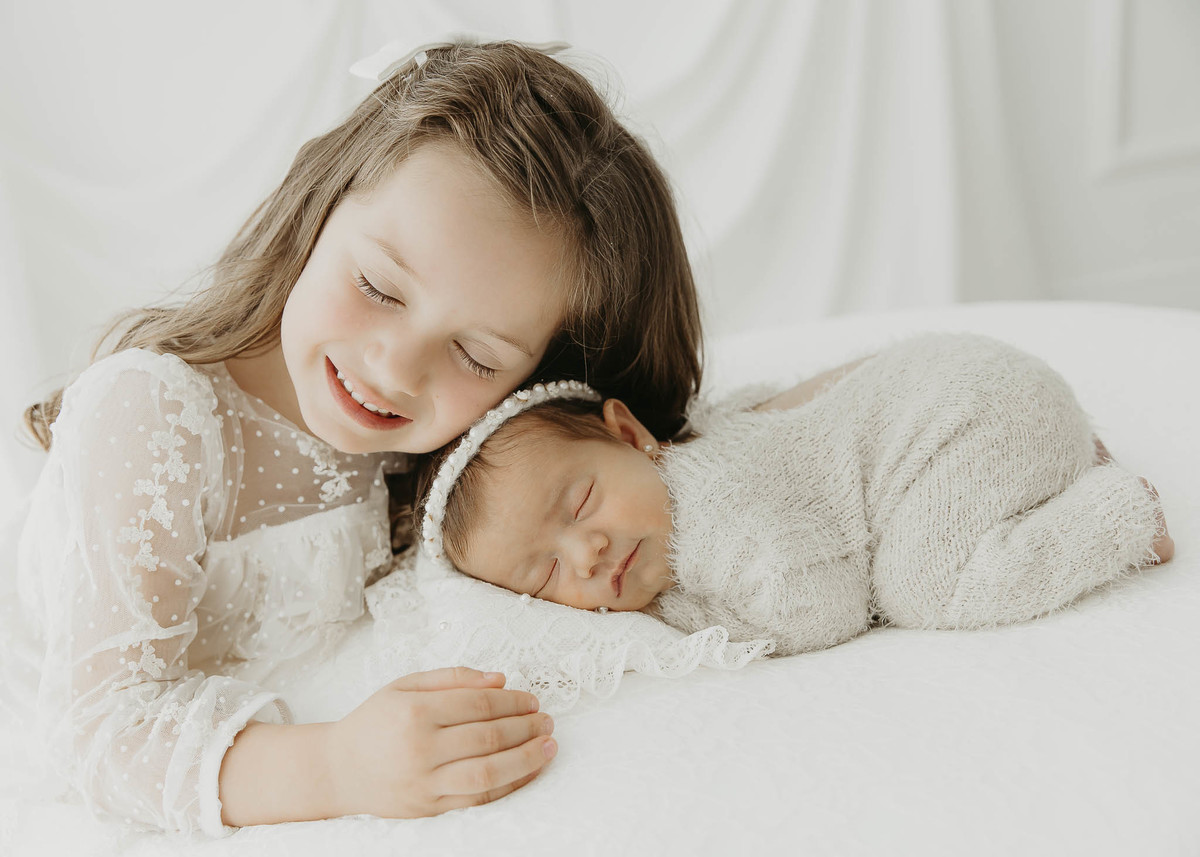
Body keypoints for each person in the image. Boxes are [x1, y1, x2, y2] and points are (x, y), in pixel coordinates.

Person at [8, 39, 703, 835]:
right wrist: (338, 766)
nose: (395, 368)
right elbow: (100, 731)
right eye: (377, 287)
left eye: (475, 355)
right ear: (321, 206)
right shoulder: (153, 416)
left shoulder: (470, 448)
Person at [421, 333, 1174, 657]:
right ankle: (1061, 459)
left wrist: (676, 615)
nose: (585, 553)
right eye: (545, 575)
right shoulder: (705, 443)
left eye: (582, 502)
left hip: (967, 417)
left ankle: (1117, 517)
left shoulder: (707, 514)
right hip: (981, 388)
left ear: (631, 434)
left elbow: (824, 606)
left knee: (922, 586)